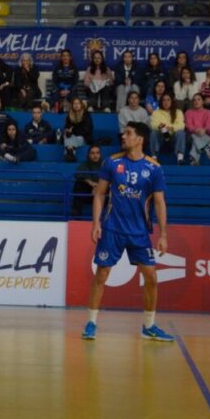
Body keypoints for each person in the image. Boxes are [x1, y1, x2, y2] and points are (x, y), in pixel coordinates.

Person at [82, 121, 173, 342]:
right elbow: (99, 194)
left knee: (151, 277)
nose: (124, 136)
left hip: (139, 232)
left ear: (140, 139)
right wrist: (96, 223)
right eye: (123, 133)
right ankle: (91, 322)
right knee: (102, 273)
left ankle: (149, 326)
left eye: (129, 133)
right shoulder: (112, 162)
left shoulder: (154, 168)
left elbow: (160, 203)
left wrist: (163, 234)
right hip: (112, 228)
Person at [149, 93, 187, 164]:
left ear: (172, 101)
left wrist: (171, 128)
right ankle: (154, 157)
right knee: (154, 132)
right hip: (161, 139)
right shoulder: (156, 112)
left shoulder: (178, 112)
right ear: (161, 102)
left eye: (168, 100)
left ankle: (180, 158)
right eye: (163, 100)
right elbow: (152, 125)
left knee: (181, 133)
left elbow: (181, 125)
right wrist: (159, 127)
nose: (166, 102)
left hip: (173, 140)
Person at [71, 145, 104, 216]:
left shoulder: (105, 165)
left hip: (102, 194)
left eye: (97, 153)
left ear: (100, 154)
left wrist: (98, 187)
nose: (95, 155)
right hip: (88, 194)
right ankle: (76, 212)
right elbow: (77, 174)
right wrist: (89, 182)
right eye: (92, 153)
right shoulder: (84, 164)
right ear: (88, 155)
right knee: (79, 184)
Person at [185, 94, 210, 165]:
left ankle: (194, 159)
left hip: (205, 135)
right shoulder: (188, 112)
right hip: (191, 136)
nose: (196, 101)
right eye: (194, 100)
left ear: (203, 102)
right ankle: (208, 150)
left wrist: (204, 130)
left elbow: (209, 126)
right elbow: (188, 126)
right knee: (194, 136)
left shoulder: (208, 113)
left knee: (197, 139)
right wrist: (196, 130)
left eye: (199, 99)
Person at [63, 96, 94, 162]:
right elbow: (67, 128)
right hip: (72, 137)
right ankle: (71, 152)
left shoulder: (86, 115)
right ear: (72, 105)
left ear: (81, 105)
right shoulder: (69, 116)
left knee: (78, 138)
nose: (76, 105)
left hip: (84, 138)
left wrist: (73, 131)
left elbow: (86, 130)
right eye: (74, 103)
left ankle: (68, 151)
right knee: (66, 136)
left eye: (78, 103)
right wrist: (68, 131)